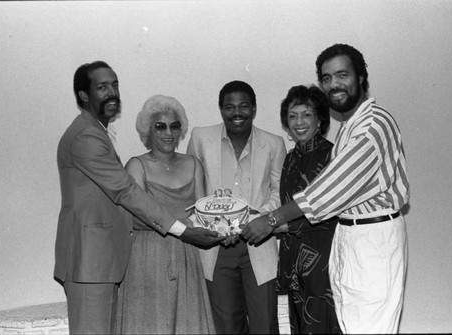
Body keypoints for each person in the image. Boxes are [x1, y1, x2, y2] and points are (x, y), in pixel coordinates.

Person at [242, 44, 409, 334]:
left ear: (361, 77)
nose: (334, 84)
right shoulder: (349, 127)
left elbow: (327, 192)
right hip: (351, 236)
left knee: (365, 326)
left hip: (370, 239)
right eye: (327, 78)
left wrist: (271, 220)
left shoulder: (372, 126)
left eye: (342, 75)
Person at [55, 61, 223, 334]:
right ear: (84, 96)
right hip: (90, 263)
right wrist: (183, 230)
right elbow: (125, 190)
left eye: (115, 85)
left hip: (100, 264)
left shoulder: (96, 130)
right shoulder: (86, 134)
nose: (112, 92)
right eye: (102, 87)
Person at [187, 80, 286, 334]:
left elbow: (279, 191)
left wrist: (255, 219)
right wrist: (214, 225)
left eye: (243, 106)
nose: (237, 113)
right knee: (226, 325)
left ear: (254, 108)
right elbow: (194, 189)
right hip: (216, 248)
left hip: (259, 243)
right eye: (229, 107)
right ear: (221, 109)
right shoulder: (200, 137)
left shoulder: (274, 143)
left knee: (264, 323)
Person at [113, 95, 216, 334]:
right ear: (147, 130)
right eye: (160, 126)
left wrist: (223, 221)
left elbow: (203, 212)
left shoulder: (193, 163)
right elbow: (135, 217)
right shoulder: (136, 166)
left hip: (186, 254)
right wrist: (182, 224)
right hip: (148, 256)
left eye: (174, 125)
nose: (168, 132)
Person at [276, 85, 340, 334]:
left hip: (322, 259)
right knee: (292, 326)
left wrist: (281, 225)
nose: (299, 122)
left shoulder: (334, 154)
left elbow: (331, 211)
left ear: (320, 119)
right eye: (292, 116)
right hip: (291, 258)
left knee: (321, 323)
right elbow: (285, 206)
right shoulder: (290, 158)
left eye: (306, 114)